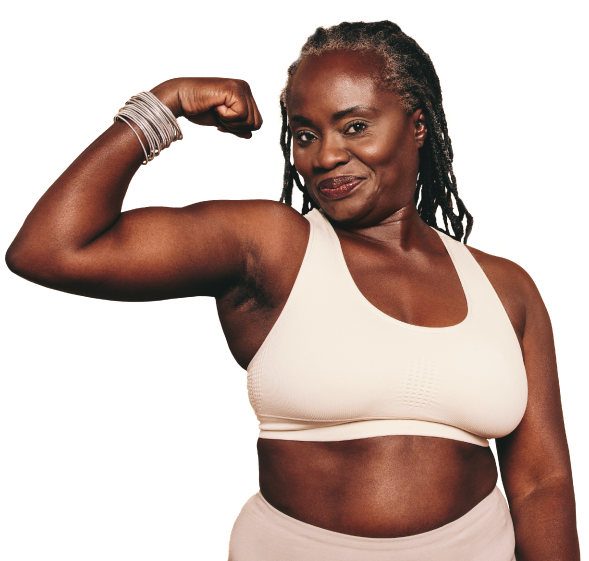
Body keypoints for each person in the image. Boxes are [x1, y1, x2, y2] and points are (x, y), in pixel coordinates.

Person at [6, 17, 579, 561]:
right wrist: (164, 106)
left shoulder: (506, 288)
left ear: (418, 125)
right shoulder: (274, 247)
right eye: (305, 135)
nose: (325, 156)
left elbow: (541, 481)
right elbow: (51, 250)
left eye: (355, 126)